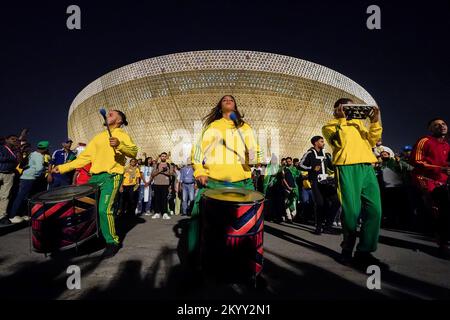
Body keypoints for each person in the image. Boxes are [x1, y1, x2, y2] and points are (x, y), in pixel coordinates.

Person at [52, 110, 138, 258]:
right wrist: (62, 167)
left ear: (119, 121)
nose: (107, 115)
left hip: (112, 176)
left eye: (111, 114)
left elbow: (133, 152)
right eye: (107, 113)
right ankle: (93, 237)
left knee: (104, 210)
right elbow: (83, 159)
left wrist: (120, 145)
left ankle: (112, 242)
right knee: (88, 210)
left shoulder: (123, 135)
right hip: (94, 178)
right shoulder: (97, 137)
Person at [189, 95, 262, 259]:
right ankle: (196, 263)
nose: (228, 100)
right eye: (224, 100)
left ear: (236, 106)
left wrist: (254, 156)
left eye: (231, 99)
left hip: (243, 184)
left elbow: (256, 154)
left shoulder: (245, 128)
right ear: (220, 107)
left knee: (247, 227)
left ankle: (246, 266)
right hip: (214, 184)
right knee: (200, 222)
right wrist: (199, 171)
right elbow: (197, 152)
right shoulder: (212, 127)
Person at [322, 98, 385, 269]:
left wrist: (374, 121)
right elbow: (338, 142)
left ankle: (364, 251)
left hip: (367, 167)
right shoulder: (329, 126)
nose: (351, 110)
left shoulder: (359, 124)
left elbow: (372, 141)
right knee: (351, 212)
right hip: (346, 167)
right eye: (347, 107)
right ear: (338, 109)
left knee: (375, 210)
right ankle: (347, 248)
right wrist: (342, 119)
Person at [410, 118, 450, 259]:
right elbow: (416, 161)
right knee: (435, 209)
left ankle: (442, 241)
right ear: (430, 129)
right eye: (436, 125)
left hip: (441, 183)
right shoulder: (425, 141)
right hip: (425, 180)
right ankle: (442, 243)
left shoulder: (447, 146)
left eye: (443, 124)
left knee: (442, 209)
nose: (441, 126)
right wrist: (441, 169)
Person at [300, 136, 340, 235]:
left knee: (336, 201)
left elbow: (331, 166)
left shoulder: (326, 154)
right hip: (315, 183)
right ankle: (318, 227)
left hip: (326, 182)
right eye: (321, 141)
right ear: (315, 143)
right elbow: (300, 165)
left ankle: (328, 226)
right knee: (320, 204)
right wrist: (312, 168)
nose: (323, 143)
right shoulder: (309, 153)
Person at [9, 141, 49, 223]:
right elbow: (38, 169)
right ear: (45, 148)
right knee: (21, 196)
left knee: (24, 197)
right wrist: (43, 171)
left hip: (25, 176)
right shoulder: (39, 156)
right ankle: (13, 215)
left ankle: (21, 214)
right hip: (29, 178)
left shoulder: (32, 154)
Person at [0, 135, 20, 226]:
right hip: (0, 172)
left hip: (9, 174)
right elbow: (1, 158)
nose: (14, 141)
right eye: (12, 139)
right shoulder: (1, 148)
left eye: (16, 140)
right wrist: (13, 159)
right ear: (6, 140)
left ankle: (2, 216)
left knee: (5, 196)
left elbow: (18, 162)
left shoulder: (14, 151)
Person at [151, 152, 173, 220]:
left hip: (165, 184)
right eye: (162, 156)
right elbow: (152, 175)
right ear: (160, 157)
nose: (163, 157)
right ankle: (157, 213)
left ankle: (165, 213)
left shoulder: (169, 165)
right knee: (157, 199)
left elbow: (171, 174)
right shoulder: (156, 165)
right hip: (157, 184)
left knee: (164, 199)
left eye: (165, 156)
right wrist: (160, 170)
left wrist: (164, 172)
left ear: (166, 157)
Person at [281, 157, 300, 223]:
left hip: (294, 188)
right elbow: (283, 179)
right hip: (287, 188)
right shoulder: (284, 169)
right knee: (286, 202)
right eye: (287, 161)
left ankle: (292, 215)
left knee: (293, 202)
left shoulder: (295, 169)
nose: (288, 162)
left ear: (291, 161)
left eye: (289, 161)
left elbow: (298, 176)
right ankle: (289, 217)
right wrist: (288, 187)